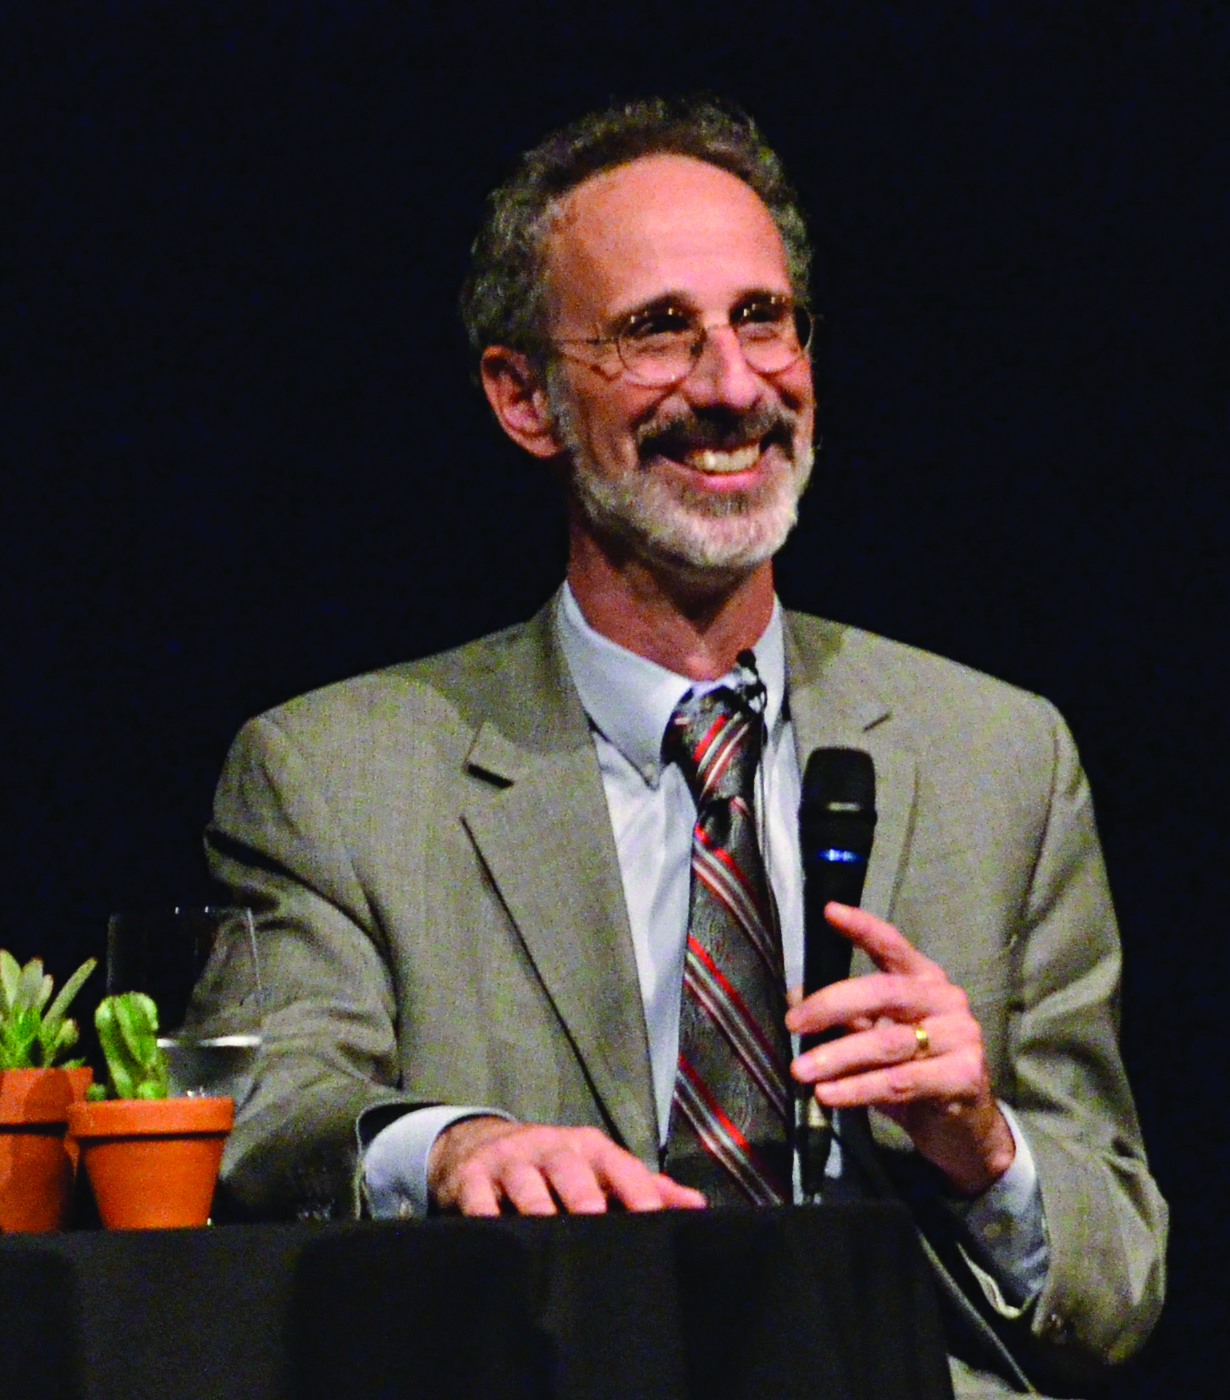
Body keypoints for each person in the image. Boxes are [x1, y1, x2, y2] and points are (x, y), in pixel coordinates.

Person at [198, 98, 1166, 1396]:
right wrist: (445, 1149)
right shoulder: (338, 776)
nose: (731, 385)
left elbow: (1120, 1283)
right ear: (522, 397)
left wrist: (985, 1152)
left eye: (762, 318)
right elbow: (254, 1112)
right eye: (659, 329)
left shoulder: (1000, 758)